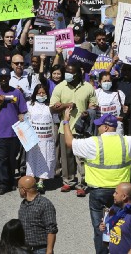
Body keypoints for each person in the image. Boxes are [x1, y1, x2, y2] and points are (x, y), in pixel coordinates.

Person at [63, 109, 131, 254]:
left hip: (98, 193)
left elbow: (69, 142)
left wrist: (66, 121)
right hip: (121, 194)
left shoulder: (93, 143)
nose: (97, 128)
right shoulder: (126, 142)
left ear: (105, 127)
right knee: (120, 228)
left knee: (100, 229)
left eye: (99, 125)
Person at [50, 63, 97, 196]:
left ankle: (81, 184)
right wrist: (65, 105)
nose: (67, 75)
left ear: (77, 74)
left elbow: (94, 105)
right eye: (66, 72)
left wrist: (88, 111)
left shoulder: (88, 87)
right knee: (66, 158)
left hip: (82, 130)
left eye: (70, 73)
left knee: (81, 159)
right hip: (65, 128)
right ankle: (68, 181)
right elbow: (52, 107)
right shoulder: (60, 87)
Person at [0, 67, 27, 195]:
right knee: (1, 159)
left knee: (11, 159)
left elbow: (23, 111)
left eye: (6, 78)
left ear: (9, 78)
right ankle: (3, 184)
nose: (4, 80)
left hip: (14, 132)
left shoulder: (16, 93)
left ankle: (11, 181)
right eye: (1, 78)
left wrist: (22, 117)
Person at [99, 182, 131, 254]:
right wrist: (104, 228)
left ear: (124, 197)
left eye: (116, 193)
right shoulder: (119, 211)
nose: (113, 195)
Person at [25, 83, 56, 191]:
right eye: (39, 93)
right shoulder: (29, 104)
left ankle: (41, 182)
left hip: (46, 138)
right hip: (33, 139)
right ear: (35, 94)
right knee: (32, 159)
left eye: (43, 93)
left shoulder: (50, 106)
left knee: (46, 158)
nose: (41, 95)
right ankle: (31, 180)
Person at [17, 176, 58, 254]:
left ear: (24, 190)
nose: (19, 191)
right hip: (25, 249)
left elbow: (51, 229)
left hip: (40, 250)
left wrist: (49, 251)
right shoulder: (23, 204)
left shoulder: (44, 204)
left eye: (19, 188)